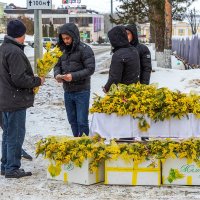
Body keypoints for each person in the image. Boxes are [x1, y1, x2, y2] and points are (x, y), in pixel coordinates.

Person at [0, 19, 45, 178]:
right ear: (21, 34)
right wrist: (36, 81)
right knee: (15, 134)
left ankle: (5, 165)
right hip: (14, 99)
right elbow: (19, 79)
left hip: (5, 99)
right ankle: (12, 168)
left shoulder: (3, 48)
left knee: (7, 134)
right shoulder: (14, 51)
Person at [54, 23, 95, 137]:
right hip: (68, 91)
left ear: (74, 36)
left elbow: (90, 69)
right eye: (63, 39)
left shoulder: (85, 49)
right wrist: (57, 75)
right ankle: (76, 143)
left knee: (82, 121)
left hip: (82, 91)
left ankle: (84, 146)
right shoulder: (61, 50)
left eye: (68, 38)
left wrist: (73, 76)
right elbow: (57, 66)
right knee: (72, 121)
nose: (66, 41)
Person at [125, 24, 152, 141]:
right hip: (126, 87)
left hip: (140, 86)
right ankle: (127, 136)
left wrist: (144, 85)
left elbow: (146, 68)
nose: (125, 36)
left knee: (142, 112)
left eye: (128, 34)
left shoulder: (142, 49)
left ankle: (144, 135)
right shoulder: (122, 49)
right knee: (126, 112)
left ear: (133, 34)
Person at [103, 25, 140, 92]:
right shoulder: (134, 50)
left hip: (122, 92)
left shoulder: (118, 54)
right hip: (133, 89)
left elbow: (115, 77)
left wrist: (107, 88)